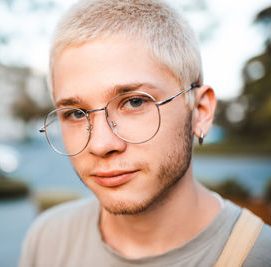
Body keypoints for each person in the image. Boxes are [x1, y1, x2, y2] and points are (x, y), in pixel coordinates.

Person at [19, 0, 271, 266]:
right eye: (76, 113)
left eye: (135, 102)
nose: (101, 144)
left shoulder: (260, 256)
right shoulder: (46, 239)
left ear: (200, 111)